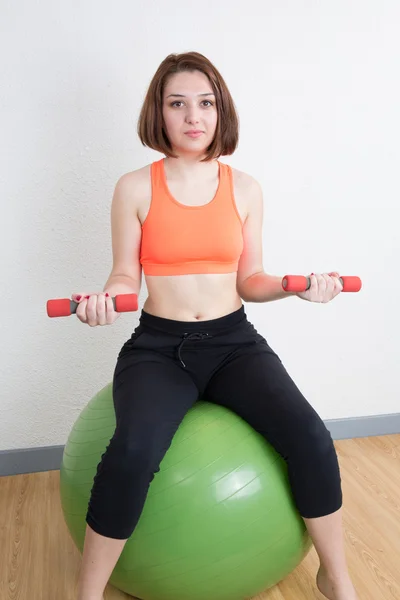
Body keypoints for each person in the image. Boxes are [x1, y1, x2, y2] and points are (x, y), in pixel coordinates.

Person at [72, 52, 358, 600]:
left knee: (312, 439)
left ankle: (337, 578)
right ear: (159, 113)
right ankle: (87, 592)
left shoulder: (244, 188)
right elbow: (124, 277)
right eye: (177, 103)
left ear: (221, 111)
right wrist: (105, 300)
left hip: (234, 343)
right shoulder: (134, 186)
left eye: (205, 103)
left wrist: (298, 287)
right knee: (133, 451)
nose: (192, 116)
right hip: (158, 347)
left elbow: (250, 278)